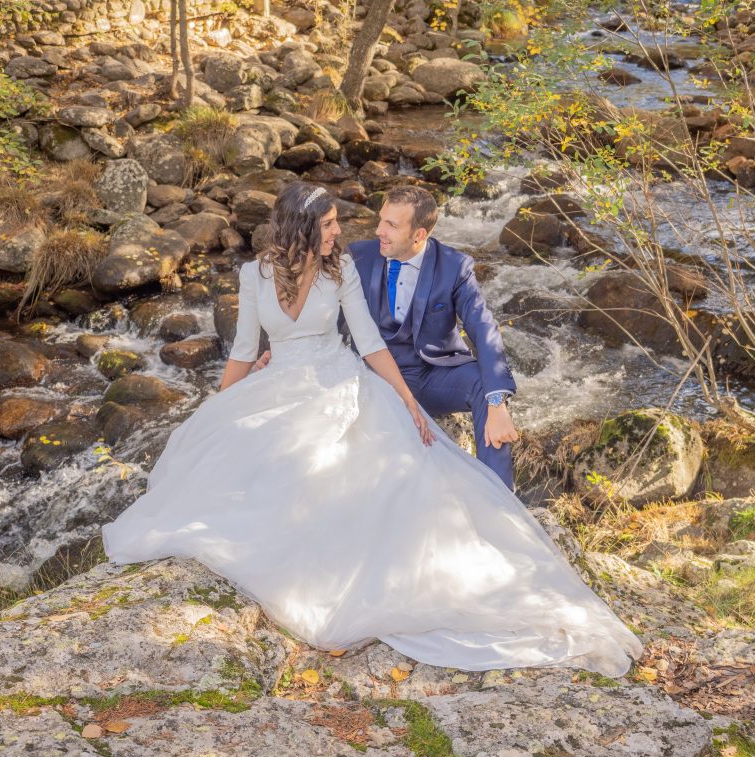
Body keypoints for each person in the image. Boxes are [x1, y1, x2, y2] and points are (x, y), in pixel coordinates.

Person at [102, 182, 642, 676]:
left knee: (399, 454)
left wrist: (407, 402)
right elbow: (245, 350)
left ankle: (497, 505)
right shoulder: (259, 274)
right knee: (272, 465)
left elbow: (377, 340)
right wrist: (221, 410)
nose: (348, 230)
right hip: (285, 381)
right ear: (303, 228)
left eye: (368, 223)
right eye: (331, 223)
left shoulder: (364, 269)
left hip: (361, 378)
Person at [346, 185, 519, 489]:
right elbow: (327, 317)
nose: (378, 230)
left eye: (391, 225)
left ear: (419, 235)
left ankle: (499, 497)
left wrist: (497, 403)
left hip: (434, 376)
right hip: (377, 379)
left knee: (486, 387)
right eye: (381, 219)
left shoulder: (454, 267)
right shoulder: (358, 257)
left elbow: (483, 327)